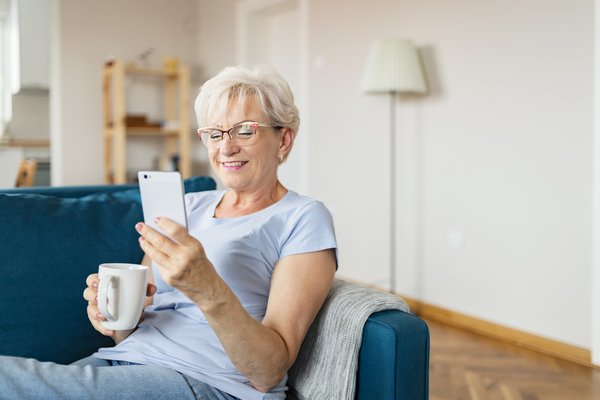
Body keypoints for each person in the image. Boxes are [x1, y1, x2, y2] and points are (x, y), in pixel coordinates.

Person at [0, 65, 337, 400]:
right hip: (124, 362)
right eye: (214, 133)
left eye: (244, 131)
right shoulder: (189, 205)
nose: (226, 148)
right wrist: (113, 313)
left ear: (284, 138)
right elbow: (127, 332)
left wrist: (207, 287)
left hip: (205, 382)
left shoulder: (303, 217)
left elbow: (269, 371)